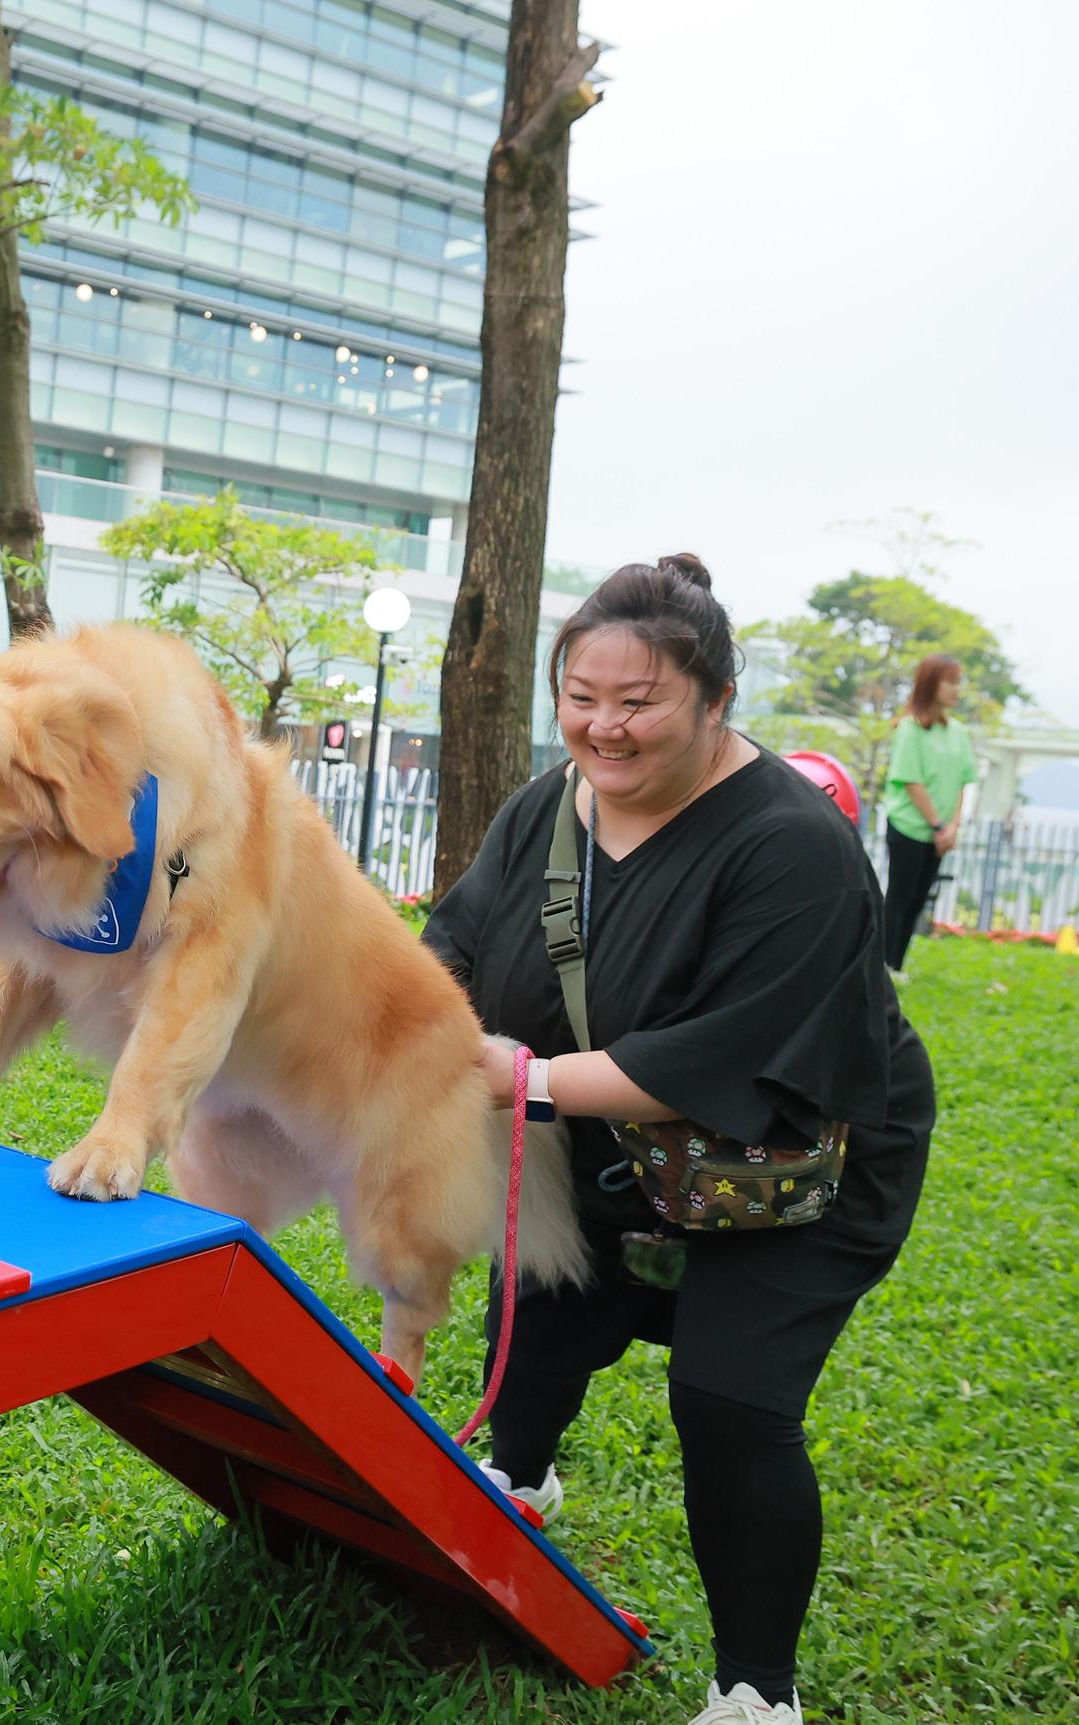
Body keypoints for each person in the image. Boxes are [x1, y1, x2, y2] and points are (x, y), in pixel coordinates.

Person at [423, 555, 933, 1725]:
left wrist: (524, 1079)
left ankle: (756, 1691)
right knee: (546, 1291)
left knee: (728, 1403)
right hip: (604, 1137)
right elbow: (450, 946)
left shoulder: (791, 849)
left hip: (798, 1155)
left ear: (714, 702)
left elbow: (721, 1054)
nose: (603, 726)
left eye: (637, 701)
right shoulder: (543, 809)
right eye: (580, 695)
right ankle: (517, 1475)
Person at [879, 653, 978, 977]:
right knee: (899, 897)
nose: (956, 690)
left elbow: (964, 781)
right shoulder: (909, 729)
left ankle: (896, 964)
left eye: (957, 682)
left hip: (940, 833)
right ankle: (882, 965)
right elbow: (911, 780)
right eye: (950, 682)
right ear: (930, 684)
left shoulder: (958, 733)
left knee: (918, 900)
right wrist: (938, 824)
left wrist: (952, 827)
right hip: (909, 826)